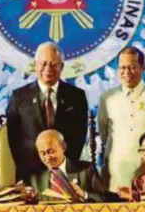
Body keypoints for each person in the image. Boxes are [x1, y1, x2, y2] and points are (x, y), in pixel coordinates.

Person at [6, 42, 88, 181]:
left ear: (61, 66)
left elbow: (79, 137)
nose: (48, 69)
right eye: (43, 63)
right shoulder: (19, 97)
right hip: (30, 175)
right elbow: (14, 139)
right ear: (35, 65)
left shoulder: (76, 97)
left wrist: (63, 165)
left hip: (66, 175)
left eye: (53, 64)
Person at [98, 47, 145, 192]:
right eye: (122, 68)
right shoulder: (108, 98)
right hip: (117, 176)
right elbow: (104, 135)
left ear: (143, 68)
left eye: (132, 67)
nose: (126, 72)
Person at [27, 130, 105, 203]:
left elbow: (104, 198)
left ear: (63, 147)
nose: (47, 158)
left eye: (51, 152)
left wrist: (84, 194)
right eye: (43, 153)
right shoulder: (35, 177)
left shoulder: (86, 170)